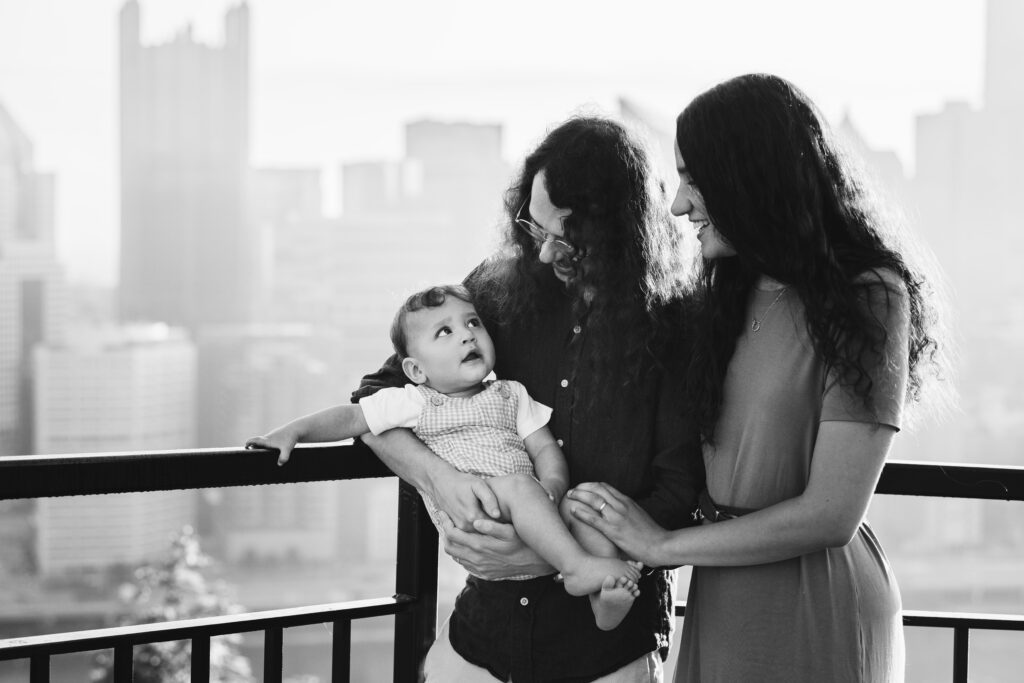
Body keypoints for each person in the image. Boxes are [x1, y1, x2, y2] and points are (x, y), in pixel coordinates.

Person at [568, 73, 947, 683]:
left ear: (750, 177)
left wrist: (660, 548)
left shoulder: (868, 296)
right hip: (722, 592)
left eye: (694, 179)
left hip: (814, 597)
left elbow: (831, 513)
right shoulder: (721, 297)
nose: (678, 203)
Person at [354, 116, 704, 682]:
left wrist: (541, 555)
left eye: (565, 241)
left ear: (619, 239)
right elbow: (376, 398)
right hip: (482, 638)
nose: (541, 254)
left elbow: (681, 497)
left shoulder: (673, 328)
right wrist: (440, 479)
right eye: (534, 227)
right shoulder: (492, 292)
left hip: (605, 655)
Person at [246, 284, 642, 631]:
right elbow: (352, 416)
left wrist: (554, 487)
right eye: (445, 332)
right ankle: (575, 568)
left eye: (473, 324)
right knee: (523, 488)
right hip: (477, 517)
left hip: (535, 511)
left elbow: (543, 448)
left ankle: (604, 603)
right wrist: (293, 432)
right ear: (416, 369)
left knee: (586, 502)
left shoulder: (511, 393)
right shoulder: (416, 401)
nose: (466, 337)